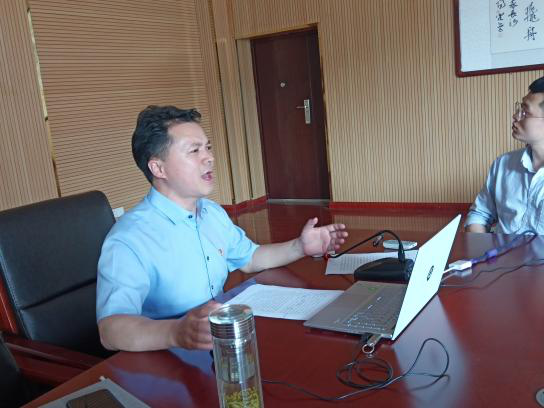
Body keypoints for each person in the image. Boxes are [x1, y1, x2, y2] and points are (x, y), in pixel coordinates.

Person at [96, 106, 348, 352]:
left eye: (207, 147)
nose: (209, 158)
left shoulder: (211, 213)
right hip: (164, 356)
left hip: (215, 342)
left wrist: (300, 246)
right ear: (158, 168)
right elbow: (110, 329)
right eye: (194, 150)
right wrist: (176, 332)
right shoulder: (129, 238)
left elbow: (251, 258)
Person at [465, 76, 544, 234]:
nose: (515, 116)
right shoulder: (503, 163)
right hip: (500, 249)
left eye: (525, 112)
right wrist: (480, 247)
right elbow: (480, 215)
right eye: (519, 109)